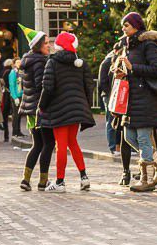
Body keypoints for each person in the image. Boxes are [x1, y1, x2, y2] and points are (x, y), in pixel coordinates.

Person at [113, 12, 157, 193]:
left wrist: (132, 68)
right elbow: (134, 71)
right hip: (132, 99)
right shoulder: (129, 46)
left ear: (137, 26)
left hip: (146, 99)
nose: (123, 28)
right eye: (123, 25)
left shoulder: (149, 45)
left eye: (126, 25)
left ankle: (146, 179)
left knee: (144, 138)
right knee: (129, 137)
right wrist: (123, 72)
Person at [39, 32, 95, 192]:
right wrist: (86, 106)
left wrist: (42, 106)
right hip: (77, 108)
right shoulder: (80, 63)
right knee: (73, 142)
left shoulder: (52, 62)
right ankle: (84, 177)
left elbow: (48, 87)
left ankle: (60, 182)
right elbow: (89, 86)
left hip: (59, 109)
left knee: (61, 145)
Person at [17, 26, 54, 191]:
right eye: (46, 43)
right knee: (48, 143)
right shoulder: (40, 62)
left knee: (37, 144)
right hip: (40, 109)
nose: (49, 45)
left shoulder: (28, 60)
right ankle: (42, 181)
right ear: (38, 45)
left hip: (30, 109)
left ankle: (26, 179)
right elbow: (42, 86)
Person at [9, 58, 24, 137]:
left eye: (20, 62)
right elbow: (12, 86)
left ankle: (19, 131)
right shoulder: (13, 72)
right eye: (17, 62)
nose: (19, 63)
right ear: (14, 63)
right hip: (15, 96)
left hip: (21, 95)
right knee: (16, 115)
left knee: (20, 115)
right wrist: (15, 97)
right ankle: (15, 132)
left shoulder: (21, 72)